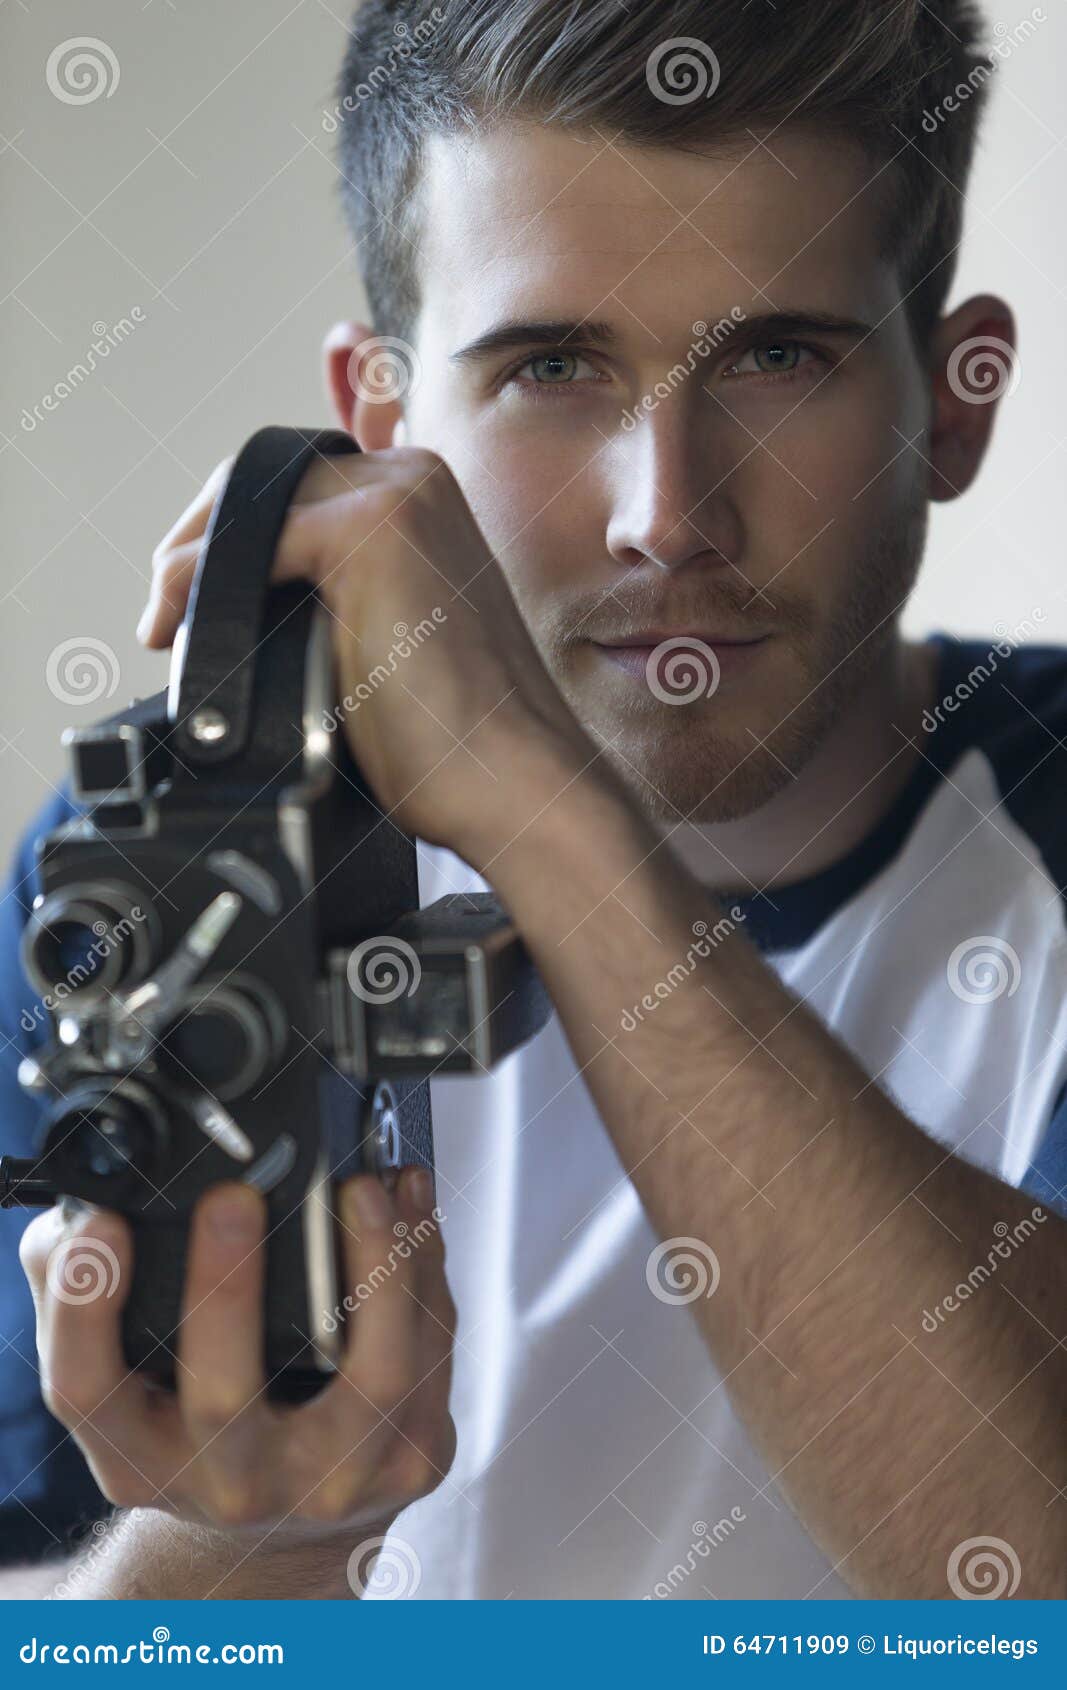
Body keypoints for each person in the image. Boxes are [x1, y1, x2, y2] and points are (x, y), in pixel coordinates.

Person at [2, 0, 1066, 1600]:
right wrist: (264, 1528)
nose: (667, 515)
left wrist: (542, 809)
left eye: (778, 356)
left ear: (955, 401)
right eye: (553, 366)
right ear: (382, 422)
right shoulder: (165, 863)